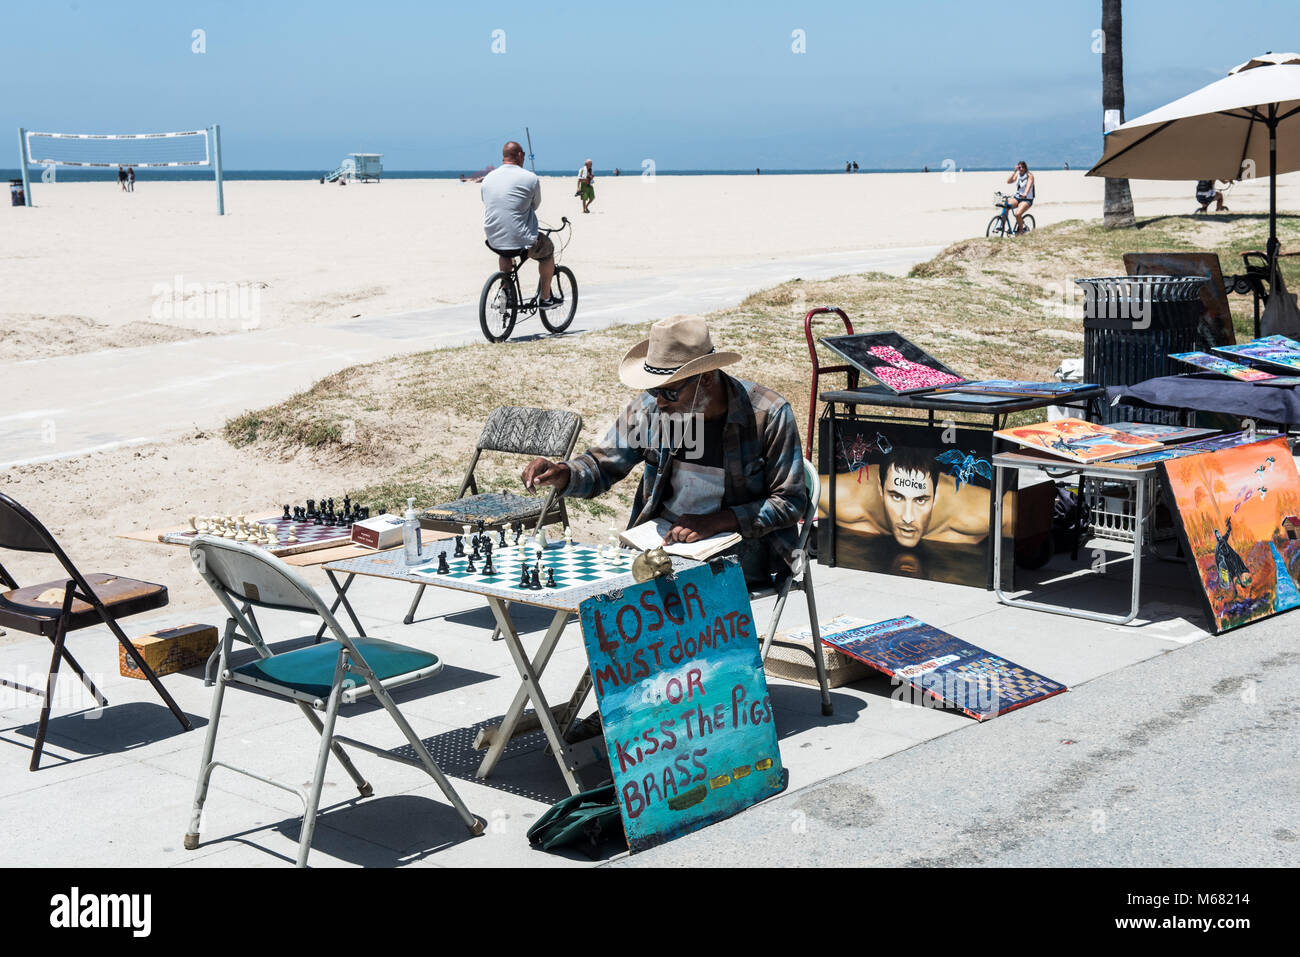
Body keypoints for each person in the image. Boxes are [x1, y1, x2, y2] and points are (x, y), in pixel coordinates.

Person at [520, 316, 807, 587]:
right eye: (654, 390)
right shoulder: (652, 408)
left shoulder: (767, 413)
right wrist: (563, 473)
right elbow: (602, 465)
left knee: (677, 590)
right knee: (609, 585)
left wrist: (718, 521)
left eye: (669, 393)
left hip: (742, 544)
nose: (660, 403)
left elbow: (791, 503)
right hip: (665, 541)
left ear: (706, 379)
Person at [481, 140, 557, 306]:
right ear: (520, 155)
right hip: (521, 239)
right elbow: (535, 205)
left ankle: (506, 289)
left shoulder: (488, 178)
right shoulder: (530, 178)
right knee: (547, 252)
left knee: (505, 251)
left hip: (493, 238)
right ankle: (545, 297)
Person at [1005, 160, 1035, 233]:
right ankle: (1002, 227)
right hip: (1017, 198)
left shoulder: (1029, 175)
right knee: (1005, 206)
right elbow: (1008, 181)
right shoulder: (1017, 174)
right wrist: (1014, 172)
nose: (1021, 169)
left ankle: (1021, 231)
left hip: (1026, 199)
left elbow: (1029, 185)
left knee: (1017, 214)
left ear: (1025, 168)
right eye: (1019, 167)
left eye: (1023, 167)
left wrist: (1025, 193)